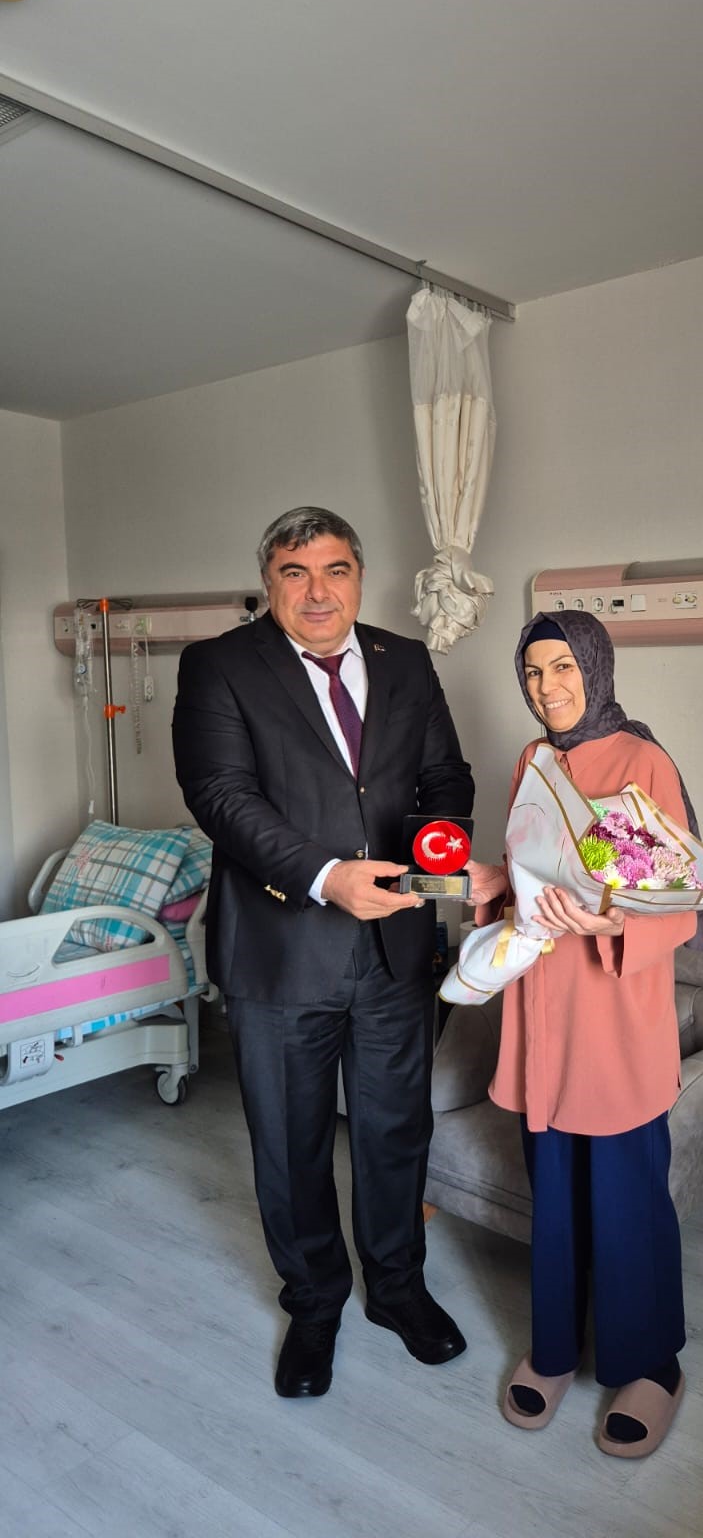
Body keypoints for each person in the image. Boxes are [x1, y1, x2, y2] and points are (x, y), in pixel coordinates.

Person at [172, 505, 474, 1399]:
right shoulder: (221, 665)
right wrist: (324, 875)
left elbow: (444, 775)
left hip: (395, 945)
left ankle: (398, 1288)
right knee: (291, 1141)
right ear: (268, 582)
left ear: (359, 578)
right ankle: (313, 1304)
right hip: (280, 949)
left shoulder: (404, 660)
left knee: (394, 1130)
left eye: (335, 570)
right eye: (295, 573)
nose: (317, 591)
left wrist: (438, 848)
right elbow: (220, 795)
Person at [466, 609, 699, 1458]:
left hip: (614, 1014)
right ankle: (555, 1347)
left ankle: (650, 1365)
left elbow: (674, 901)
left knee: (628, 1200)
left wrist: (609, 922)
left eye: (562, 667)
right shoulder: (532, 761)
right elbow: (533, 876)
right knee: (555, 1194)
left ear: (595, 669)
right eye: (532, 672)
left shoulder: (641, 762)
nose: (547, 687)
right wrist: (492, 882)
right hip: (542, 1012)